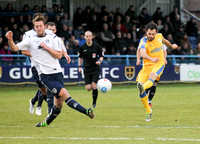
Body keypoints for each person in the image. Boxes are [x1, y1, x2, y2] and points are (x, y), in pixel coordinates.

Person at [6, 15, 95, 127]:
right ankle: (86, 111)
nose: (38, 28)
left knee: (59, 103)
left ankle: (45, 123)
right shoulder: (30, 40)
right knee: (64, 93)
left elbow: (58, 55)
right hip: (45, 75)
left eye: (40, 26)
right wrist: (10, 40)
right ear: (34, 27)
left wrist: (46, 47)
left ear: (45, 26)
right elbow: (14, 48)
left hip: (57, 73)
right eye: (36, 26)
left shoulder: (52, 37)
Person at [136, 22, 177, 121]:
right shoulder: (144, 41)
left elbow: (165, 41)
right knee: (140, 89)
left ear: (156, 32)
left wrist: (171, 46)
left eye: (153, 34)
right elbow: (142, 53)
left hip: (159, 64)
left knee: (152, 76)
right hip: (147, 66)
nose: (151, 36)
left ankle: (143, 87)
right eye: (149, 33)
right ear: (146, 32)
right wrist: (151, 58)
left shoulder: (159, 37)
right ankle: (148, 111)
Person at [136, 44, 168, 108]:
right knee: (146, 83)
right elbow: (139, 50)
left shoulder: (159, 40)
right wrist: (138, 59)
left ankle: (149, 101)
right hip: (147, 66)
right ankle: (145, 98)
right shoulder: (144, 41)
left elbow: (164, 50)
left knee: (154, 82)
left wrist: (164, 59)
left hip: (157, 65)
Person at [78, 31, 104, 108]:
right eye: (87, 36)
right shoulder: (82, 47)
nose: (88, 38)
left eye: (89, 36)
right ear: (85, 37)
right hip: (87, 69)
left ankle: (94, 103)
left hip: (95, 68)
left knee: (94, 85)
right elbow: (80, 57)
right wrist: (79, 67)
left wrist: (99, 61)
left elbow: (102, 56)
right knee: (88, 88)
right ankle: (95, 89)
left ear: (92, 37)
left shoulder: (97, 46)